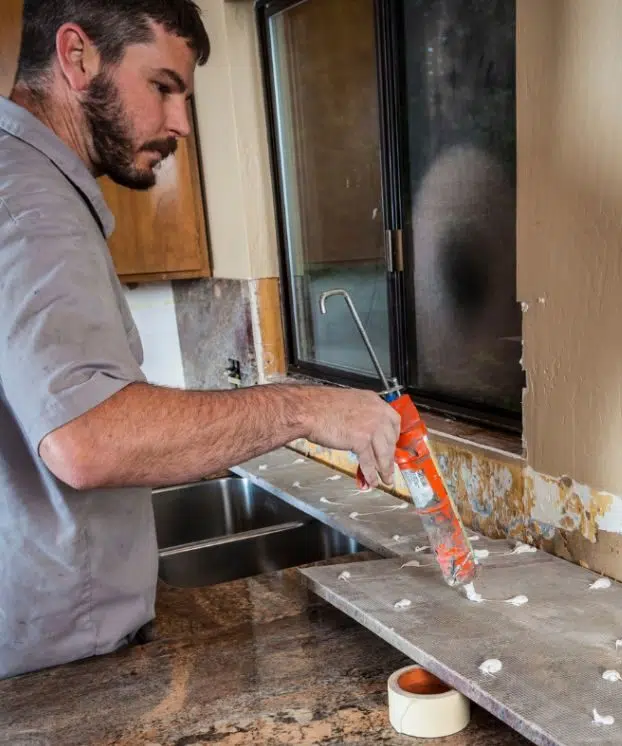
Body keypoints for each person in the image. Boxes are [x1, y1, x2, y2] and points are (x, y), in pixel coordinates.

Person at [0, 0, 400, 680]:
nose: (181, 122)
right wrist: (304, 407)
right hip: (48, 670)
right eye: (163, 86)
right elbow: (85, 439)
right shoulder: (33, 205)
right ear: (77, 56)